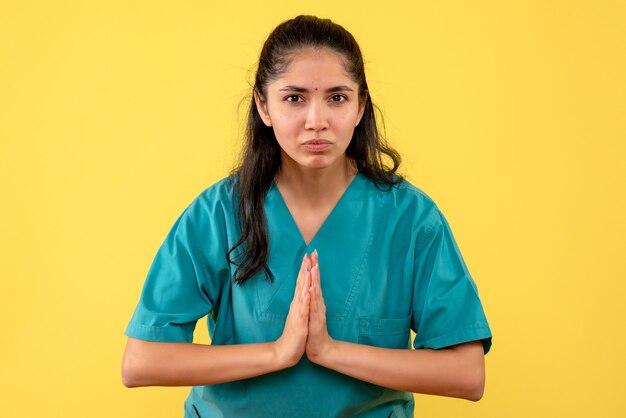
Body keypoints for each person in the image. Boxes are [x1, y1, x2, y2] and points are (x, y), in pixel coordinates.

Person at [122, 14, 492, 418]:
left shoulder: (411, 219)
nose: (317, 121)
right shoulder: (219, 214)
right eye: (294, 98)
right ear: (264, 105)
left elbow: (467, 374)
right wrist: (278, 352)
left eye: (337, 98)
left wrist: (329, 351)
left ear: (360, 105)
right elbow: (142, 362)